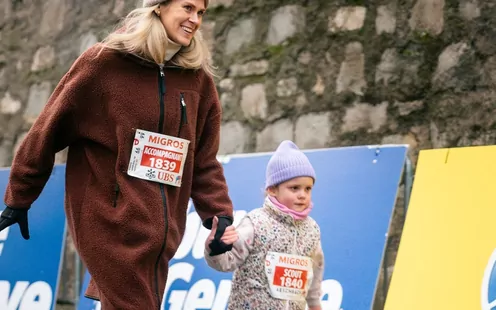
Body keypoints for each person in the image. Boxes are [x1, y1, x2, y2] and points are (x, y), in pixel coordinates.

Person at [0, 0, 235, 309]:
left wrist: (218, 213)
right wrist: (19, 197)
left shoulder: (197, 80)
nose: (195, 20)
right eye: (187, 8)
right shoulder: (103, 64)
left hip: (162, 232)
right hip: (108, 219)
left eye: (201, 13)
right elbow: (46, 131)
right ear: (157, 7)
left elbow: (203, 159)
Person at [205, 140, 325, 310]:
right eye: (294, 188)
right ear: (272, 189)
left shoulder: (312, 230)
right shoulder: (256, 222)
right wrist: (215, 249)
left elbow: (315, 269)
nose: (302, 195)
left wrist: (314, 303)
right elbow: (226, 262)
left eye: (308, 189)